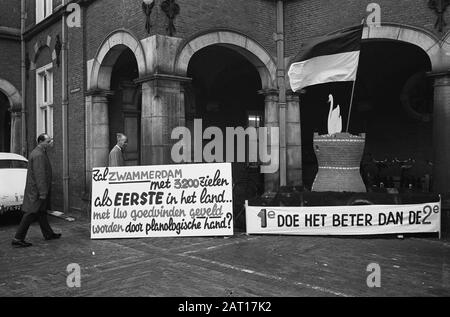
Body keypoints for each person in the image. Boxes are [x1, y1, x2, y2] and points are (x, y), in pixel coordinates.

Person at [12, 133, 61, 248]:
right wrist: (43, 193)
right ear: (41, 142)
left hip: (37, 190)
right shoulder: (39, 155)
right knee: (31, 213)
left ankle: (48, 234)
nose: (50, 143)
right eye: (48, 141)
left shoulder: (39, 153)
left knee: (41, 213)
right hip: (37, 192)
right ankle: (18, 238)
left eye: (50, 141)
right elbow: (40, 175)